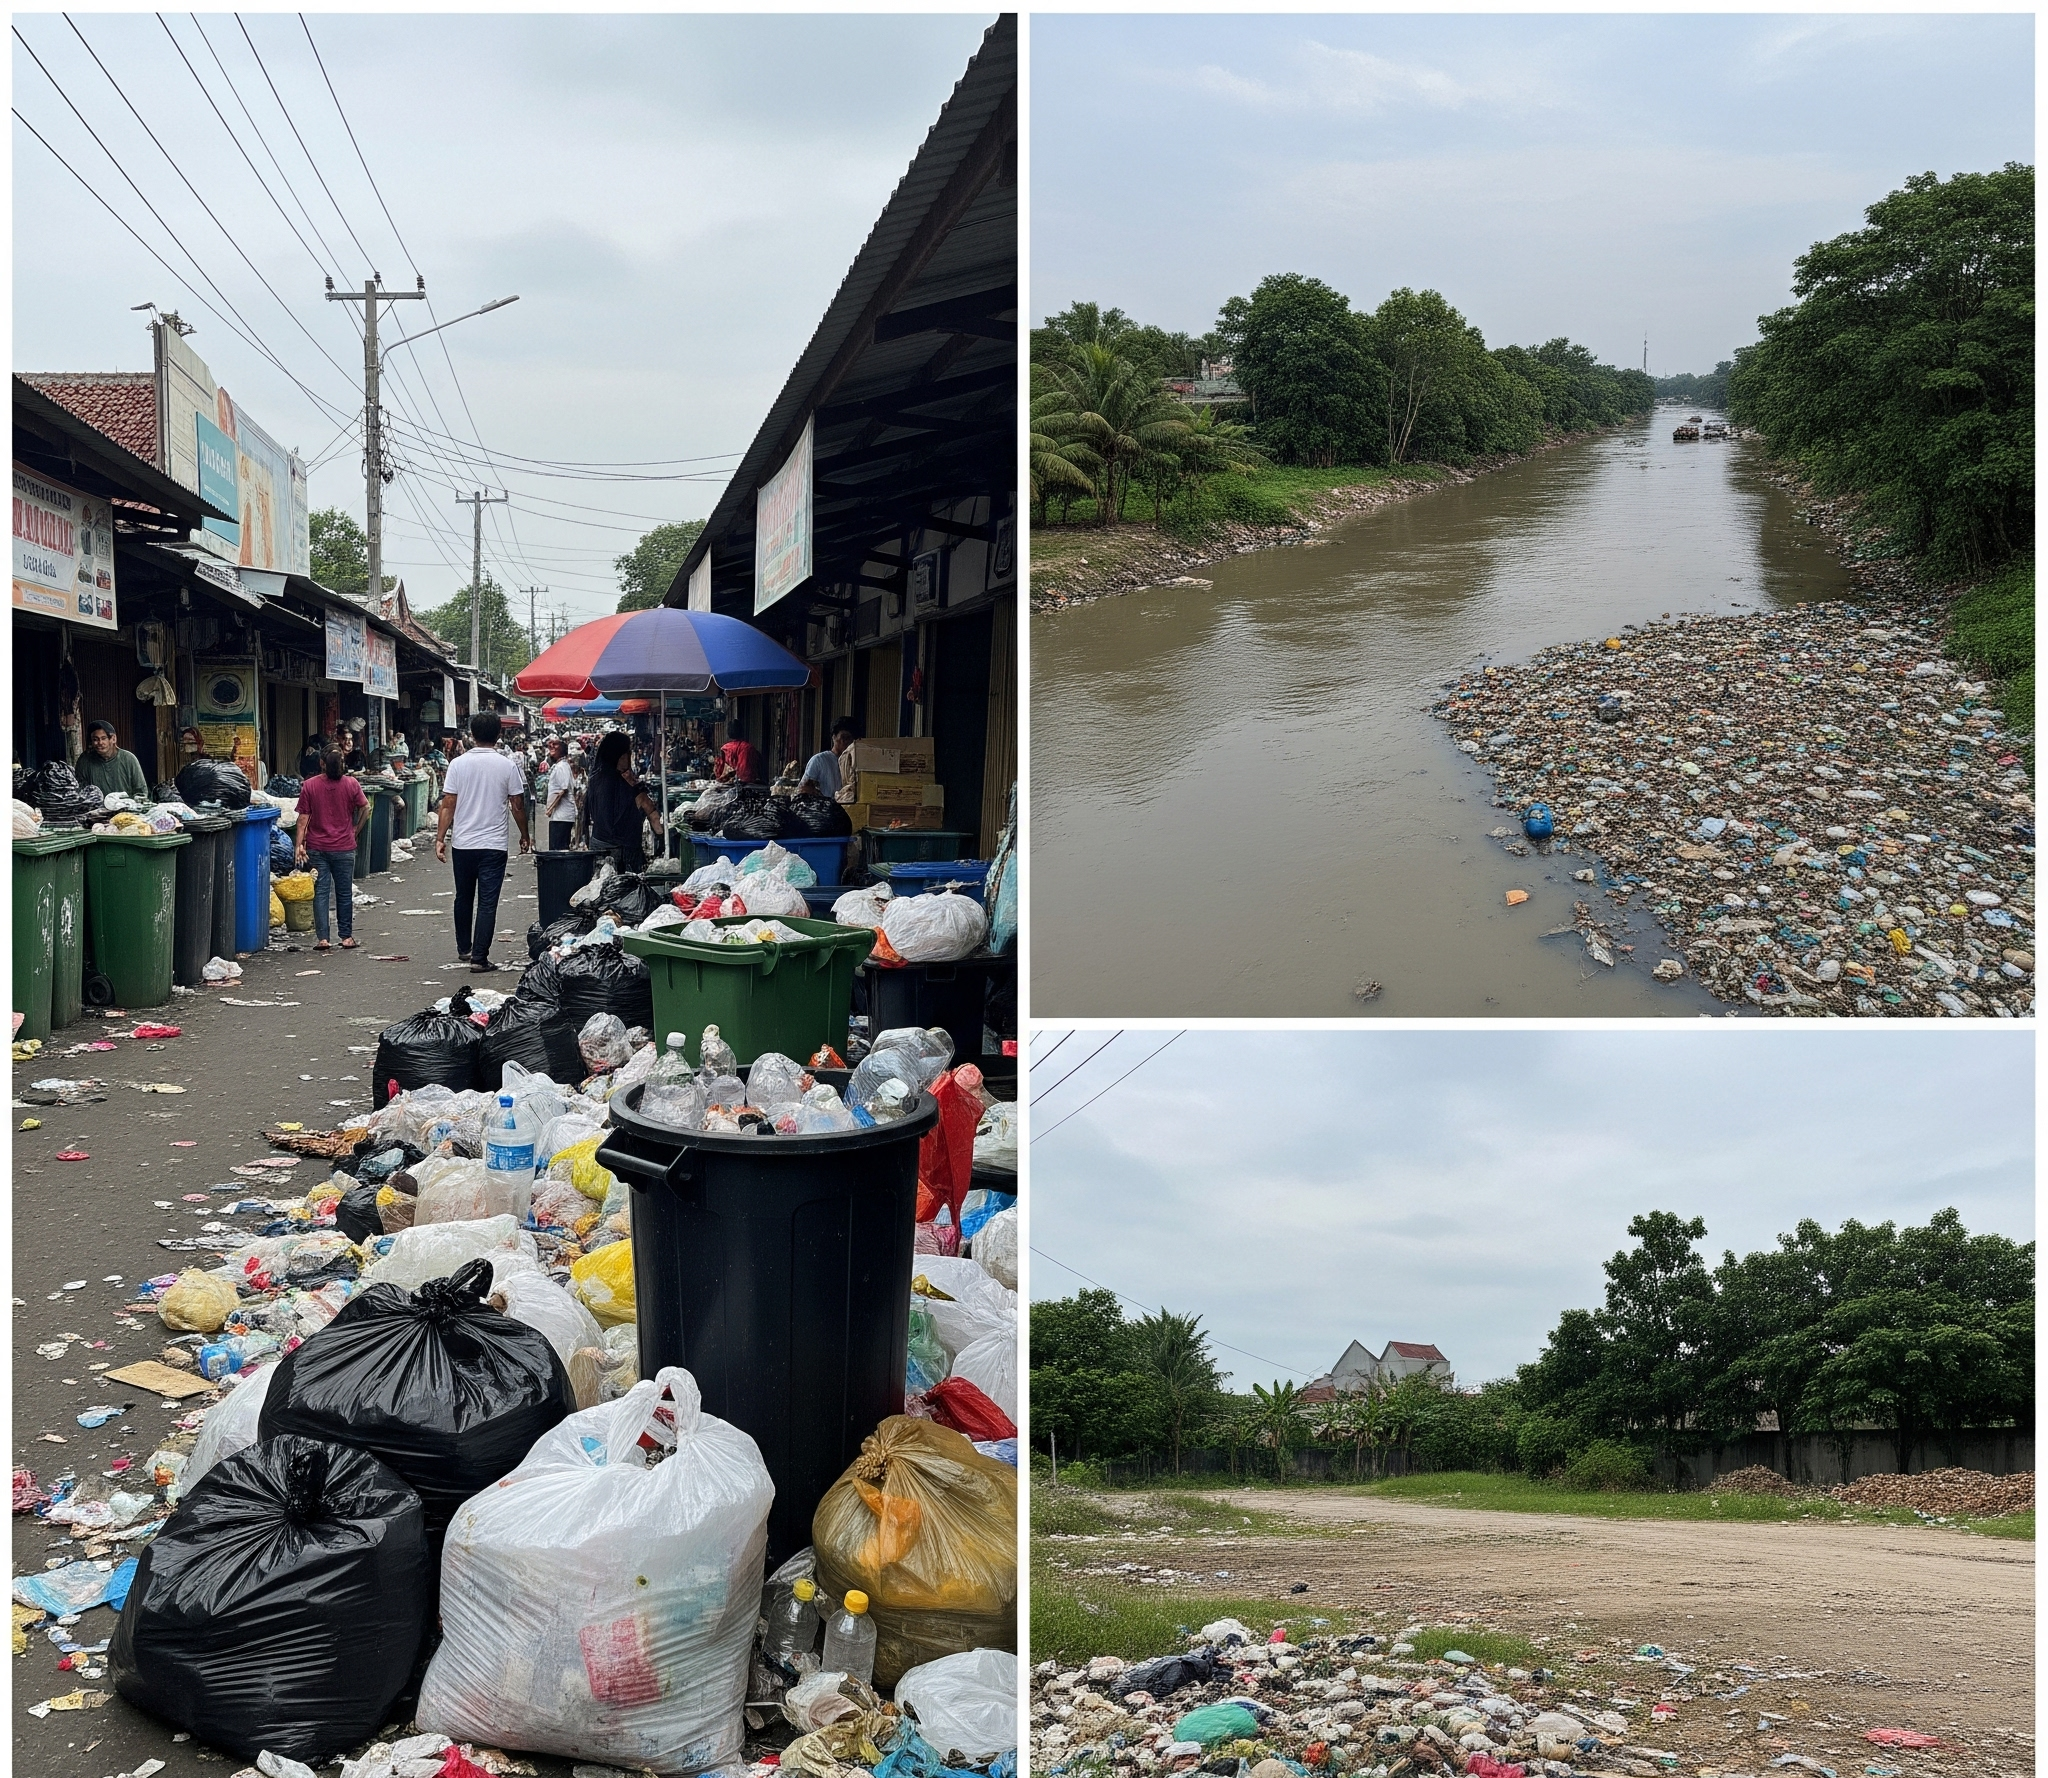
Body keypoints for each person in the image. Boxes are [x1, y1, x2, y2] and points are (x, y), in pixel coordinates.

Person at [434, 710, 531, 972]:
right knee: (487, 902)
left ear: (472, 735)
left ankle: (464, 948)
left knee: (463, 896)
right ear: (499, 734)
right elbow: (517, 805)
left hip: (463, 844)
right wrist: (525, 835)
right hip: (493, 846)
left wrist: (440, 837)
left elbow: (448, 804)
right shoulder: (507, 765)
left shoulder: (457, 764)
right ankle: (479, 958)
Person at [293, 748, 369, 951]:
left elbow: (302, 819)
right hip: (344, 848)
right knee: (344, 893)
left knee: (321, 893)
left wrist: (299, 845)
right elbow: (366, 807)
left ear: (322, 763)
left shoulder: (309, 786)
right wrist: (355, 830)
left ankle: (323, 939)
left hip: (317, 848)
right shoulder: (352, 784)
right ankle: (346, 937)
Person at [586, 731, 662, 872]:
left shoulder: (595, 778)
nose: (629, 756)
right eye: (628, 752)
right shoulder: (618, 783)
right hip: (621, 850)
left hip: (598, 843)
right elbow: (649, 809)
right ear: (619, 755)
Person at [75, 720, 148, 799]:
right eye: (95, 739)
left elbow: (141, 793)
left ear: (113, 739)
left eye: (104, 738)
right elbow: (79, 791)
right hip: (96, 809)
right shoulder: (85, 760)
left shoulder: (129, 759)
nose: (100, 743)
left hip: (125, 809)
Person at [797, 718, 859, 800]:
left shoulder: (855, 762)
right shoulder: (819, 760)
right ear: (834, 737)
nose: (847, 742)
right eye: (844, 738)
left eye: (850, 739)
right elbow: (803, 789)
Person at [542, 736, 581, 850]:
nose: (551, 746)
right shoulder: (561, 766)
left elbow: (563, 791)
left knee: (557, 850)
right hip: (561, 816)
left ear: (562, 749)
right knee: (559, 849)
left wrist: (549, 809)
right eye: (550, 744)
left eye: (555, 744)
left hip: (562, 817)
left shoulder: (561, 767)